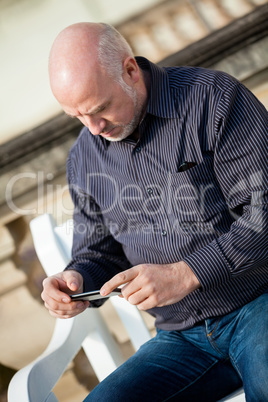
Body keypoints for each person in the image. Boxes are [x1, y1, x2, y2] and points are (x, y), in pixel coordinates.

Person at [42, 22, 268, 401]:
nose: (93, 128)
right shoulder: (84, 157)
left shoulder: (213, 99)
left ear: (130, 70)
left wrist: (189, 273)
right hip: (182, 340)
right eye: (77, 116)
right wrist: (76, 281)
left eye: (99, 109)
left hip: (259, 301)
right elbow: (98, 253)